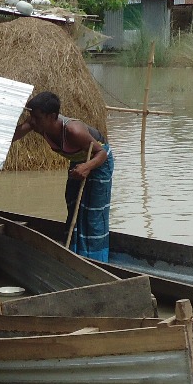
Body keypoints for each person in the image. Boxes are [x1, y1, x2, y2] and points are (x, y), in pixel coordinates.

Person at [12, 90, 114, 261]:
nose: (32, 121)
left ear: (52, 116)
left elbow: (101, 153)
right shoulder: (37, 125)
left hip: (98, 161)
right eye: (31, 116)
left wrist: (86, 167)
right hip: (78, 161)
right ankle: (76, 253)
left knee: (93, 212)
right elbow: (13, 136)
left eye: (37, 117)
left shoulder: (73, 130)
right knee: (73, 206)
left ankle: (96, 259)